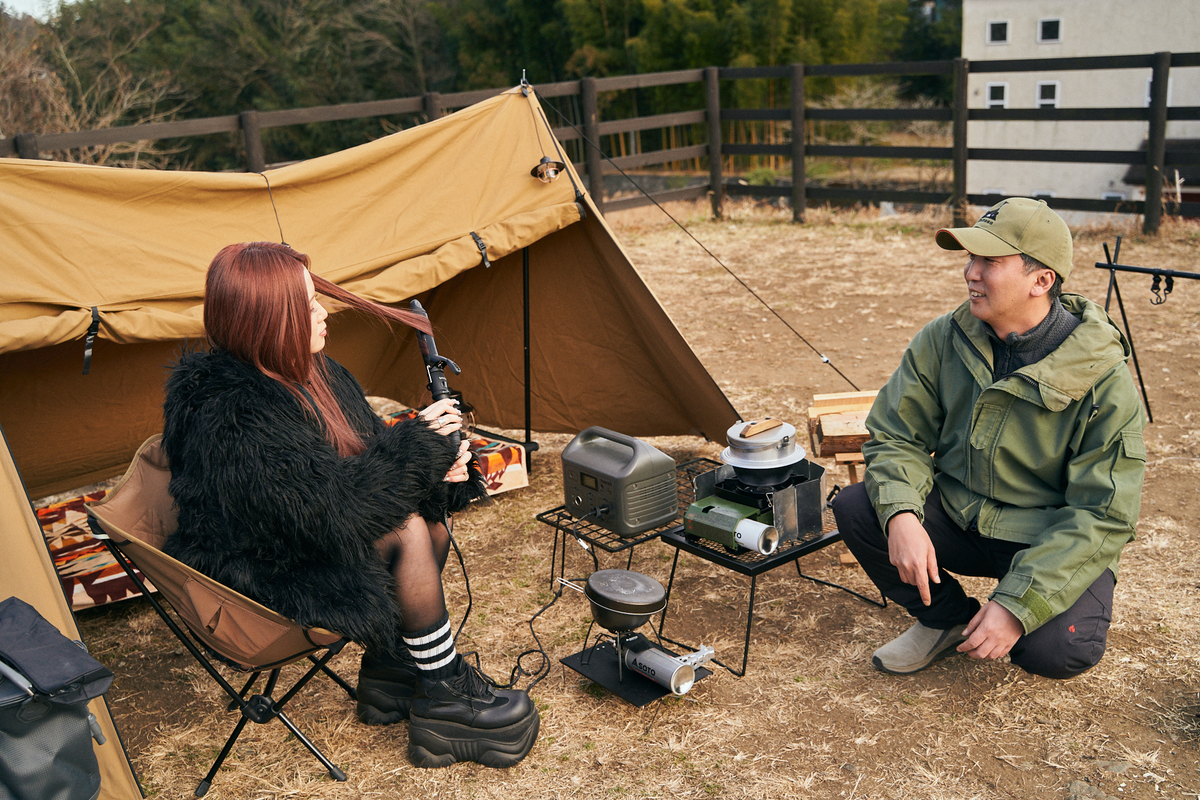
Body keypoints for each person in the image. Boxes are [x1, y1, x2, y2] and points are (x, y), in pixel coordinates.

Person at [161, 241, 539, 768]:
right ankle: (445, 697)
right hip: (257, 566)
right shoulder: (232, 411)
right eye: (307, 305)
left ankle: (393, 668)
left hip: (310, 533)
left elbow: (361, 472)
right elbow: (337, 511)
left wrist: (441, 471)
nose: (322, 312)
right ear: (266, 319)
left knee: (427, 523)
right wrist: (421, 448)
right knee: (405, 529)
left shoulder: (321, 373)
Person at [832, 198, 1147, 679]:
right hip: (961, 514)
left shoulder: (1103, 378)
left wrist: (1017, 605)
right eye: (970, 259)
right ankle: (946, 621)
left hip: (1043, 536)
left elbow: (1103, 514)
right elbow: (897, 435)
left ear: (1041, 281)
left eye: (989, 262)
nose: (969, 273)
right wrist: (901, 515)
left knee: (1057, 652)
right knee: (859, 509)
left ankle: (1013, 610)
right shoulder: (943, 338)